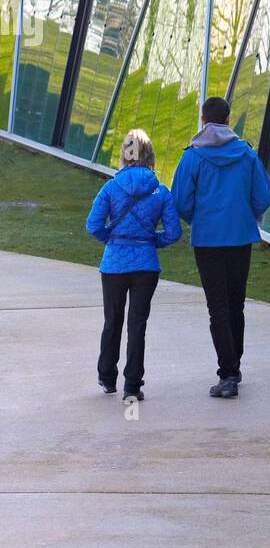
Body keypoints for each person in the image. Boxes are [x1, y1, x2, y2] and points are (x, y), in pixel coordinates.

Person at [171, 95, 270, 399]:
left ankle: (227, 373)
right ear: (229, 120)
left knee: (217, 307)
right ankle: (234, 365)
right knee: (235, 303)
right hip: (240, 238)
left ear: (203, 120)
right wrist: (245, 214)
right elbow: (263, 198)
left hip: (208, 240)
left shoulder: (193, 157)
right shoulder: (247, 154)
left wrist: (199, 219)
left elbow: (180, 201)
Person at [86, 129, 182, 404]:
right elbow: (174, 232)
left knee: (112, 320)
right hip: (146, 264)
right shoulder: (160, 191)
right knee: (137, 323)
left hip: (114, 263)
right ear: (150, 155)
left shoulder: (111, 187)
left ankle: (107, 378)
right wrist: (153, 242)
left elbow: (93, 225)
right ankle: (132, 384)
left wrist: (112, 239)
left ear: (124, 154)